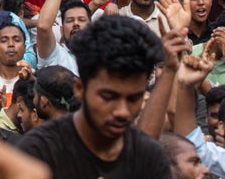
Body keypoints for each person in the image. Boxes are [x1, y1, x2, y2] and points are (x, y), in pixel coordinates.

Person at [17, 15, 172, 177]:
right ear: (79, 88)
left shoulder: (150, 157)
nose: (122, 111)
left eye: (133, 98)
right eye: (108, 97)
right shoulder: (39, 152)